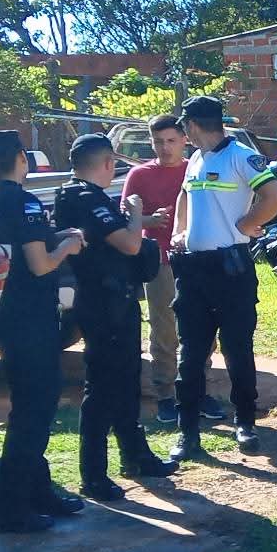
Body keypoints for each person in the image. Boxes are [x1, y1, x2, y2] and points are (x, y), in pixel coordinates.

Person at [0, 130, 87, 534]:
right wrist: (67, 248)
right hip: (29, 314)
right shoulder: (24, 200)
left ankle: (39, 493)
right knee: (34, 409)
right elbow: (40, 264)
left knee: (31, 402)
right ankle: (12, 507)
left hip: (3, 313)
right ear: (22, 158)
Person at [55, 134, 178, 498]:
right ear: (107, 163)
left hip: (113, 300)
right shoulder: (85, 198)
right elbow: (128, 243)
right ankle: (93, 474)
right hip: (103, 303)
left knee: (126, 380)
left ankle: (135, 455)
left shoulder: (78, 196)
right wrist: (137, 213)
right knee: (103, 388)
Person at [168, 96, 277, 460]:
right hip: (194, 269)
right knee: (190, 353)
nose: (183, 131)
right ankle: (187, 432)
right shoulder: (196, 160)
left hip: (231, 268)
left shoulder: (240, 156)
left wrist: (249, 224)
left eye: (184, 125)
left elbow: (275, 196)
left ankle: (245, 422)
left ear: (193, 125)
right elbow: (184, 199)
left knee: (237, 349)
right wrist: (179, 232)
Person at [120, 112, 197, 424]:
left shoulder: (197, 167)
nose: (165, 148)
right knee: (164, 327)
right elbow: (124, 217)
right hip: (159, 259)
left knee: (200, 327)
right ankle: (165, 393)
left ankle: (197, 389)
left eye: (171, 141)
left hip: (195, 255)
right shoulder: (139, 174)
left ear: (184, 140)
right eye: (158, 141)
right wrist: (148, 221)